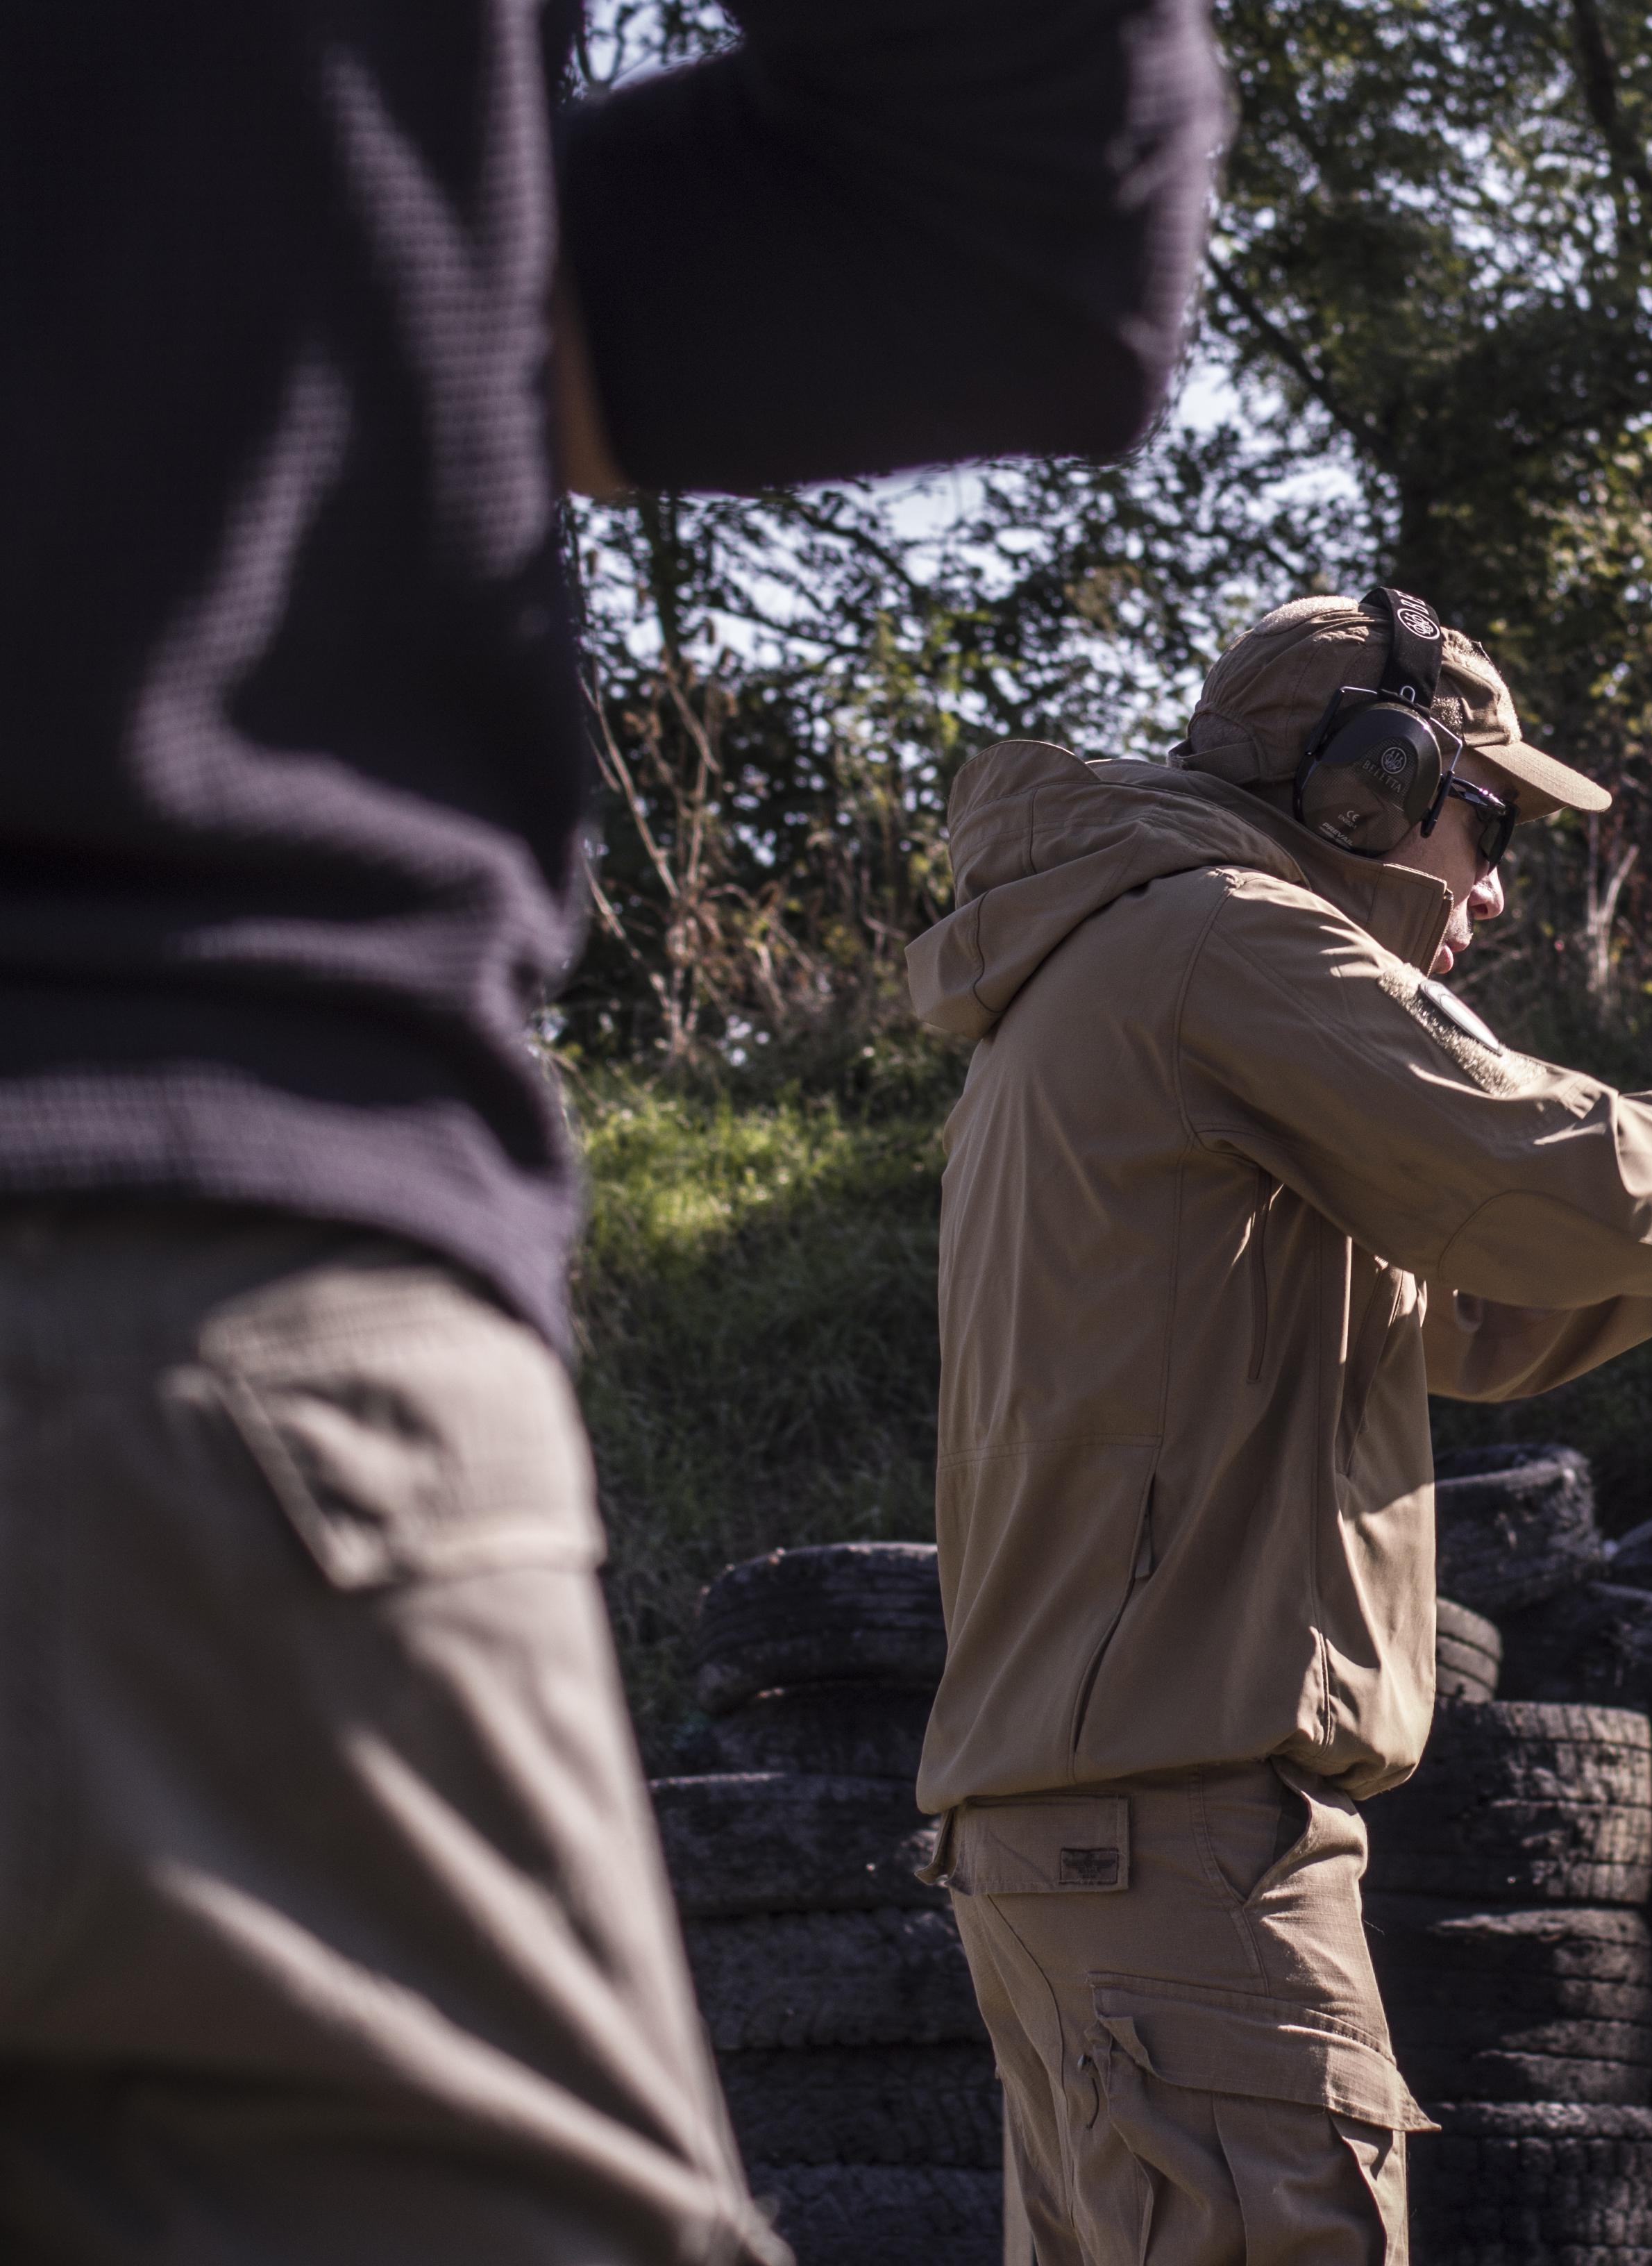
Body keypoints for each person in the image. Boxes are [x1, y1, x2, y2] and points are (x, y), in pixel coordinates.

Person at [0, 5, 1222, 2257]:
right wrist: (330, 301)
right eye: (1454, 807)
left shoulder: (1075, 987)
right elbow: (1035, 208)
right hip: (196, 1281)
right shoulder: (1245, 968)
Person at [907, 587, 1652, 2266]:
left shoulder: (1117, 973)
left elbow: (1455, 1302)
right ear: (1366, 789)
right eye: (1491, 822)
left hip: (1099, 1844)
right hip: (1182, 1846)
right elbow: (1539, 1178)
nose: (1492, 882)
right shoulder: (1221, 943)